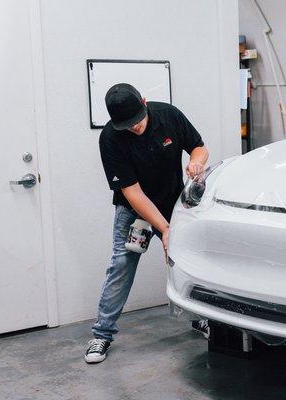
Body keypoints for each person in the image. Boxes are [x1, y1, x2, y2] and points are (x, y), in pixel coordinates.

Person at [84, 83, 208, 363]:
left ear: (144, 102)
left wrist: (196, 163)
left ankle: (200, 318)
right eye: (127, 125)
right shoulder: (110, 139)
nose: (135, 128)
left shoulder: (169, 116)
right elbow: (132, 192)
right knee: (121, 265)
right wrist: (164, 229)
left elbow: (199, 148)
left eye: (137, 121)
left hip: (174, 202)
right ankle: (101, 334)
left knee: (186, 262)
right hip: (134, 210)